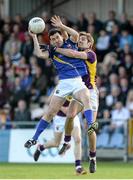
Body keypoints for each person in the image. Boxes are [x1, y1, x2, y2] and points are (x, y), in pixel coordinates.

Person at [24, 16, 94, 159]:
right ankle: (34, 138)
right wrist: (34, 37)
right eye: (53, 39)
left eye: (57, 37)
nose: (56, 40)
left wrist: (62, 25)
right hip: (63, 83)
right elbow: (38, 53)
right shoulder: (52, 51)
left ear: (62, 37)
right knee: (50, 112)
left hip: (76, 81)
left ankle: (91, 124)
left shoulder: (70, 42)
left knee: (86, 97)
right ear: (51, 41)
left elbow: (75, 35)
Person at [54, 32, 99, 173]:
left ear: (89, 44)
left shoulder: (90, 54)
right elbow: (68, 45)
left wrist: (56, 49)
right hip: (79, 90)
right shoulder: (75, 51)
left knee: (90, 127)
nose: (80, 41)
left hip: (90, 93)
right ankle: (66, 142)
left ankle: (93, 158)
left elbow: (73, 54)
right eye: (79, 40)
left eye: (83, 40)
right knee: (70, 115)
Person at [34, 98, 87, 175]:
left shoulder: (77, 87)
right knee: (56, 143)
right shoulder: (60, 88)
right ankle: (40, 147)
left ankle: (78, 167)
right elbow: (50, 101)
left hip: (72, 116)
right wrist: (61, 107)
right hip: (60, 118)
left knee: (78, 139)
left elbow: (81, 101)